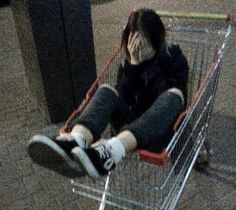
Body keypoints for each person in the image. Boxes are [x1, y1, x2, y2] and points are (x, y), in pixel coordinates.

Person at [28, 8, 189, 180]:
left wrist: (147, 66)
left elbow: (172, 104)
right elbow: (123, 100)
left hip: (158, 133)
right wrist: (134, 66)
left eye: (144, 40)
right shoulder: (127, 64)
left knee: (175, 94)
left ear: (156, 39)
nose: (138, 45)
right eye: (134, 39)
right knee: (107, 90)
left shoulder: (173, 58)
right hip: (127, 130)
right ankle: (76, 141)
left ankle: (112, 151)